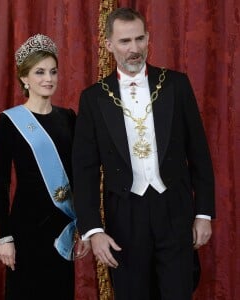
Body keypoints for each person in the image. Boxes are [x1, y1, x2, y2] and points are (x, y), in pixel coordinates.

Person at [72, 7, 215, 300]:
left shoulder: (176, 84)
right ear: (109, 45)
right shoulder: (93, 97)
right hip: (125, 216)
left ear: (149, 38)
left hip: (175, 211)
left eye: (139, 39)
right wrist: (93, 230)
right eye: (125, 42)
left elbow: (199, 152)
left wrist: (203, 213)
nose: (134, 49)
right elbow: (84, 171)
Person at [0, 33, 90, 300]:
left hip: (62, 227)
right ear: (24, 78)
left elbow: (78, 176)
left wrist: (82, 226)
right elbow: (1, 184)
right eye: (39, 72)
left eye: (53, 71)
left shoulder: (69, 117)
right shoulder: (10, 121)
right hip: (25, 227)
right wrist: (5, 238)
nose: (48, 79)